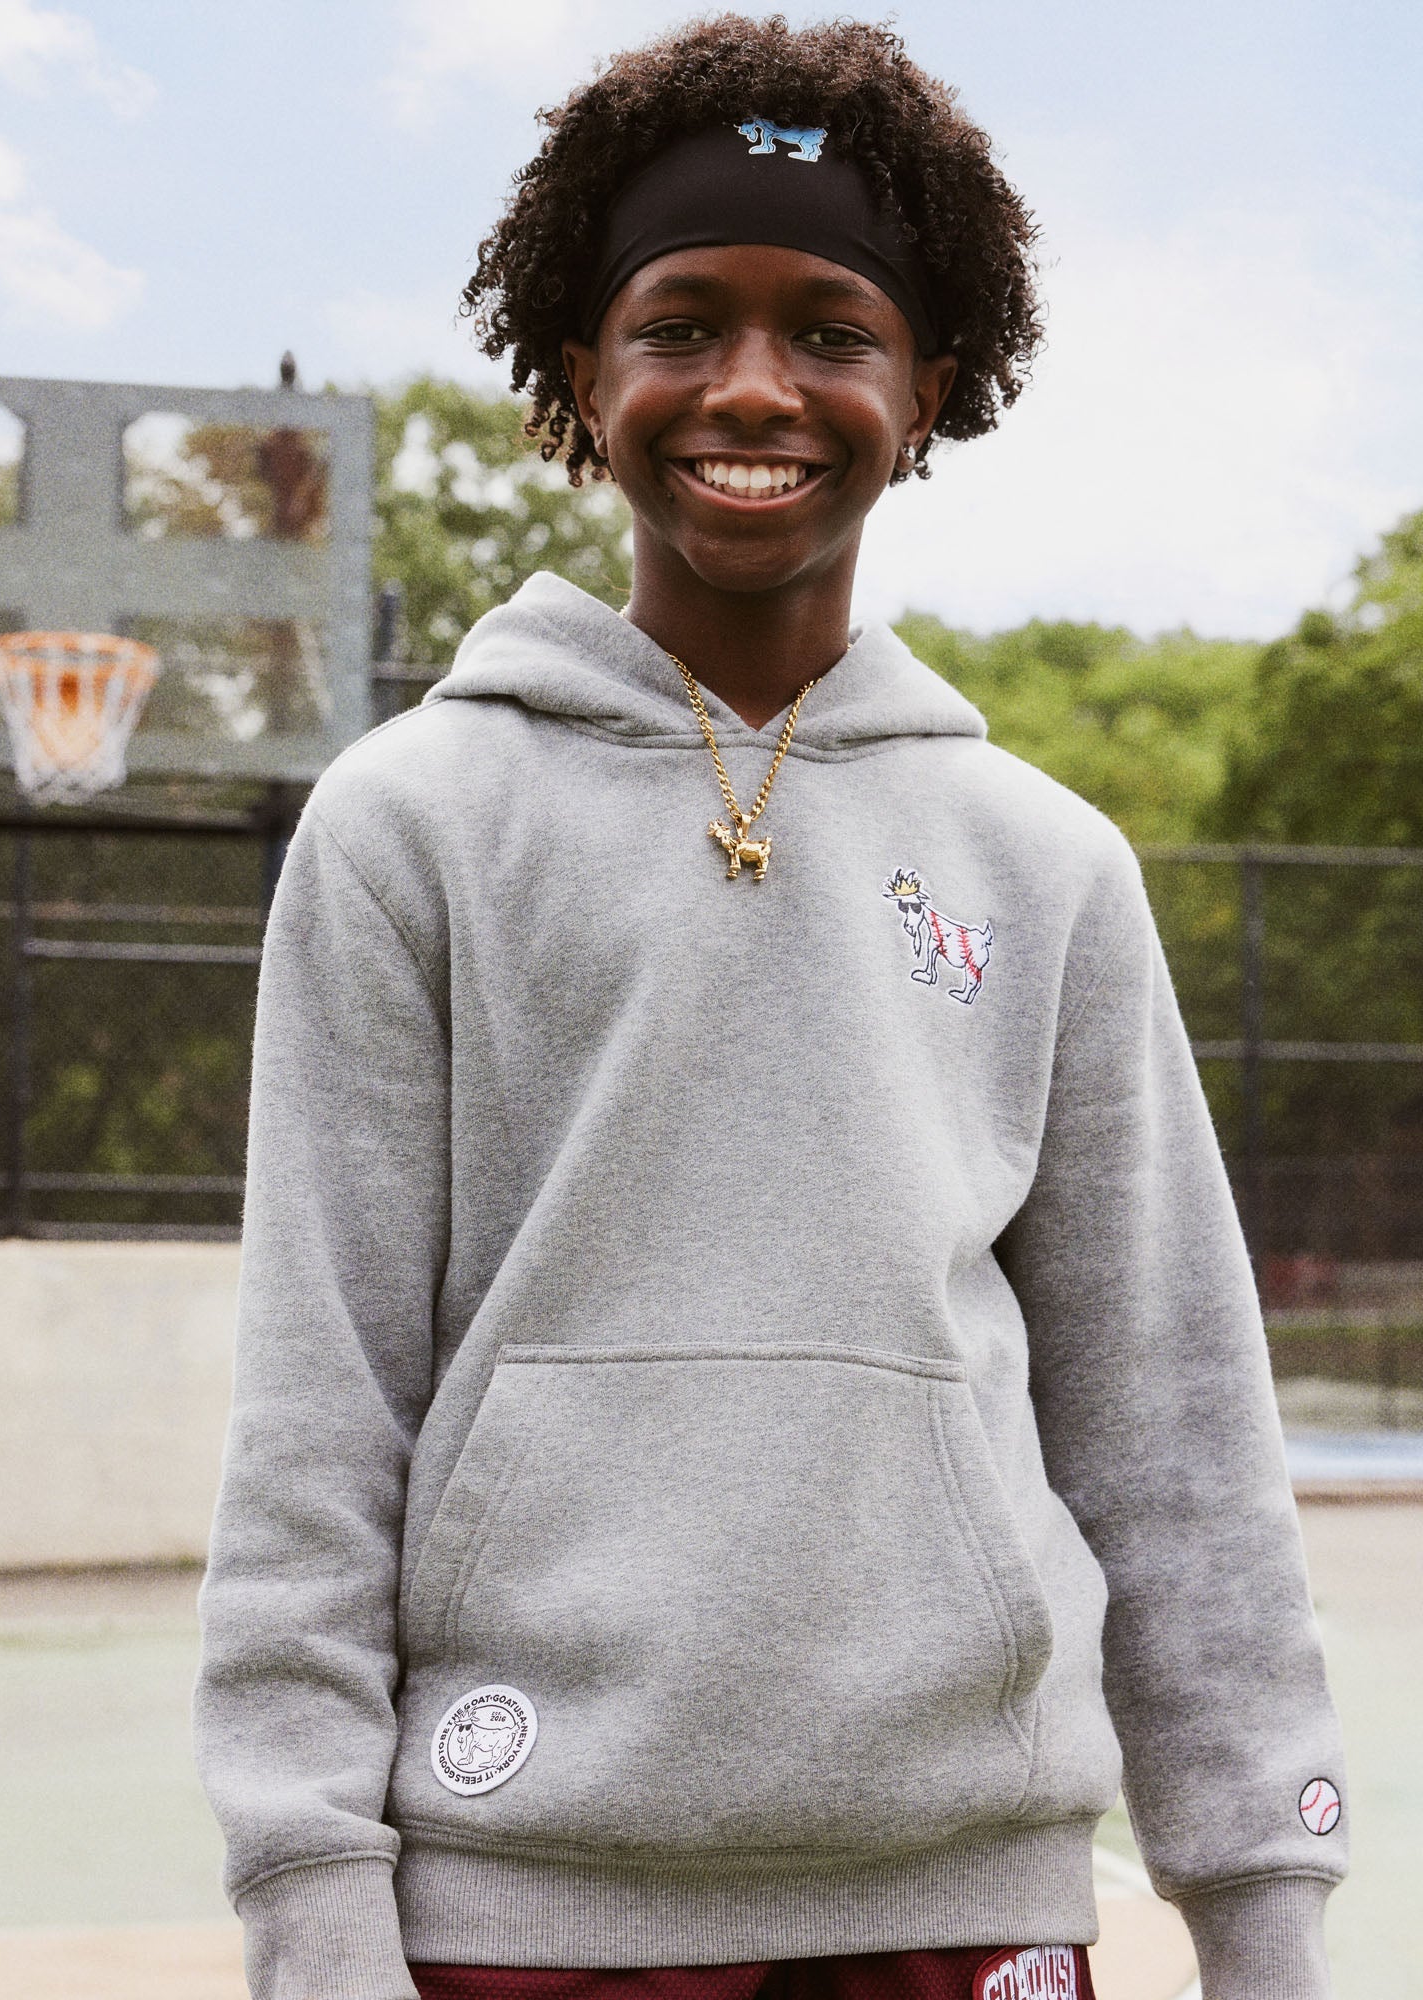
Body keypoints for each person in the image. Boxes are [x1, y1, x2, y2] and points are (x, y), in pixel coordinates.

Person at [194, 18, 1347, 2000]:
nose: (751, 385)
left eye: (830, 329)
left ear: (929, 387)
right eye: (680, 325)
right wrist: (311, 1907)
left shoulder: (1045, 861)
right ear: (584, 375)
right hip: (526, 1890)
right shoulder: (411, 824)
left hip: (962, 1889)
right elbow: (319, 1412)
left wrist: (1261, 1919)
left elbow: (1172, 1432)